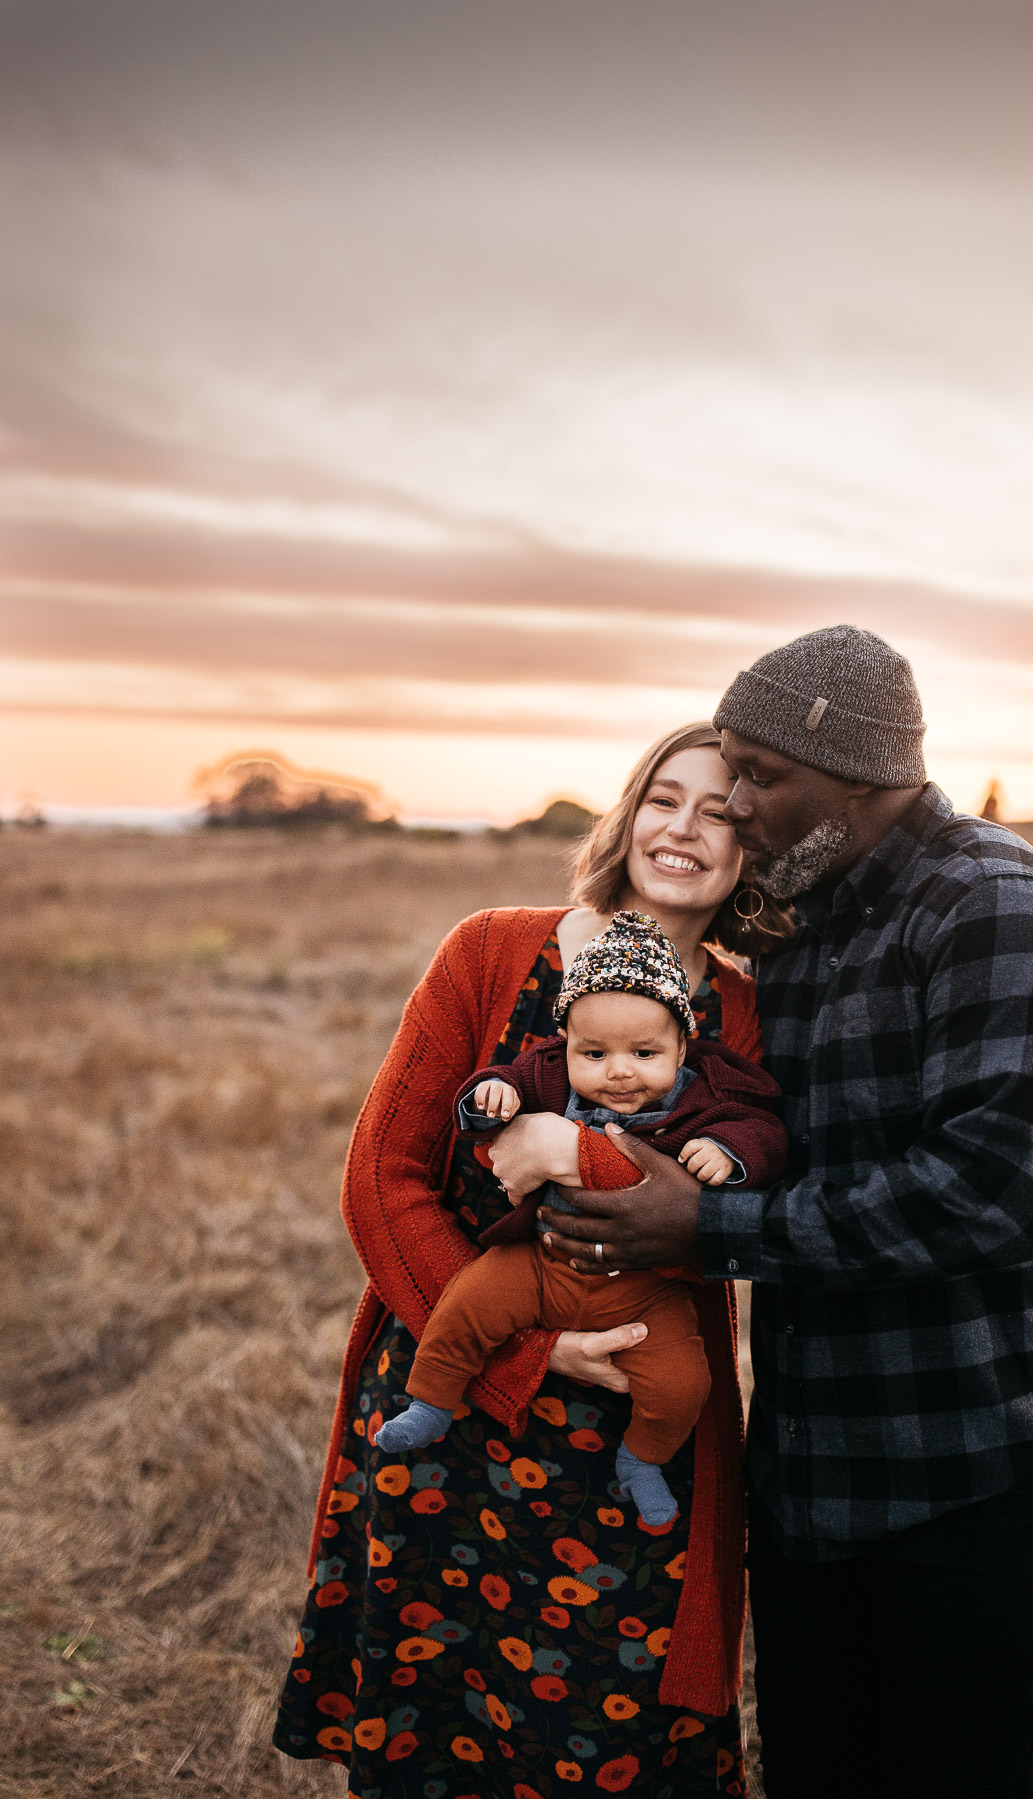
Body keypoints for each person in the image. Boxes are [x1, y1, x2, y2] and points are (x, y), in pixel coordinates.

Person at [532, 626, 1033, 1799]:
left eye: (761, 773)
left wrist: (708, 1232)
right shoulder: (799, 923)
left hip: (974, 1468)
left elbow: (990, 1197)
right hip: (812, 1470)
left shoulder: (997, 909)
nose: (737, 804)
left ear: (860, 777)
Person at [273, 721, 792, 1797]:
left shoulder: (744, 1011)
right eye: (664, 796)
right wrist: (532, 1349)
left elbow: (744, 1189)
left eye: (721, 811)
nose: (684, 827)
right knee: (433, 1726)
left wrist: (585, 1151)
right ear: (629, 810)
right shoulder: (494, 950)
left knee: (610, 1744)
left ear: (757, 850)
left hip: (629, 1440)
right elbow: (382, 1178)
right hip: (454, 1401)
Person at [375, 910, 788, 1530]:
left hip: (645, 1292)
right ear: (564, 1044)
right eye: (594, 1053)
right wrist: (493, 1098)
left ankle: (643, 1459)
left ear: (683, 1046)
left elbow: (764, 1133)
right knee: (468, 1303)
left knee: (683, 1383)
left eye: (644, 1053)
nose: (619, 1071)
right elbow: (496, 1084)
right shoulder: (544, 1074)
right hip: (542, 1264)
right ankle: (432, 1397)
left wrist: (730, 1155)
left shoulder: (707, 1097)